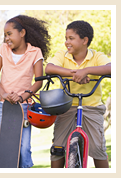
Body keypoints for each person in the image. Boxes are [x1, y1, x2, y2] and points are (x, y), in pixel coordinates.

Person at [45, 20, 111, 168]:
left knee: (98, 149)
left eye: (71, 38)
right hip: (66, 107)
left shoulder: (96, 56)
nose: (66, 42)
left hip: (92, 108)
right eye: (66, 38)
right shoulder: (63, 55)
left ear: (84, 40)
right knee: (58, 148)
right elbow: (49, 68)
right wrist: (74, 73)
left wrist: (86, 71)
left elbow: (111, 68)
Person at [0, 15, 51, 168]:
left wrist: (22, 97)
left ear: (22, 33)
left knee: (24, 149)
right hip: (3, 106)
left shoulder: (35, 52)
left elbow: (39, 81)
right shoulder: (3, 49)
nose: (6, 38)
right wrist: (3, 94)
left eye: (9, 34)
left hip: (23, 107)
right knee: (6, 149)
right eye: (5, 35)